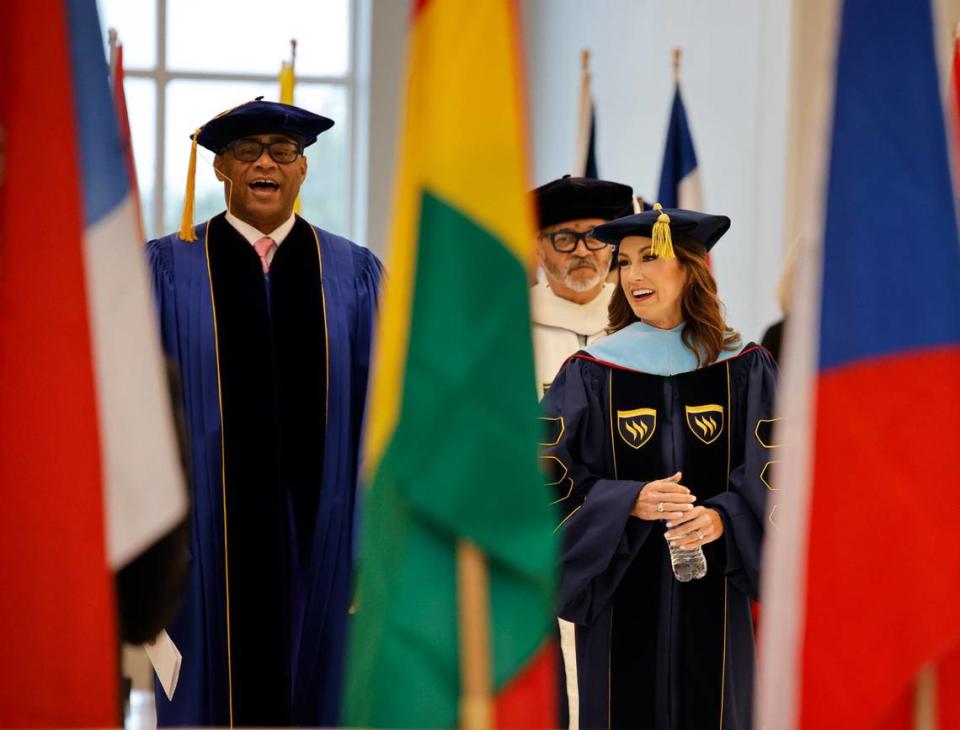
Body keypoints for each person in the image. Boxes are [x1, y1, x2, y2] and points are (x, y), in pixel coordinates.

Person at [147, 98, 382, 727]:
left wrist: (371, 540)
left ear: (303, 170)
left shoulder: (352, 272)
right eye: (247, 150)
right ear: (221, 168)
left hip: (326, 533)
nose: (266, 162)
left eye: (283, 151)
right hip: (204, 536)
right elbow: (140, 413)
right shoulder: (168, 268)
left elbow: (379, 413)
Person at [541, 206, 778, 729]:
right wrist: (625, 501)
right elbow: (546, 477)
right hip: (620, 587)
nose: (633, 276)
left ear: (690, 267)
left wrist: (724, 517)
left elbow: (778, 470)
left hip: (717, 590)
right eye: (623, 263)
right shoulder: (590, 372)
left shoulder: (744, 365)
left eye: (650, 257)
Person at [531, 175, 634, 398]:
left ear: (612, 246)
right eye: (565, 239)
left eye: (594, 236)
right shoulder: (514, 330)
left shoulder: (638, 321)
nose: (582, 251)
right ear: (538, 249)